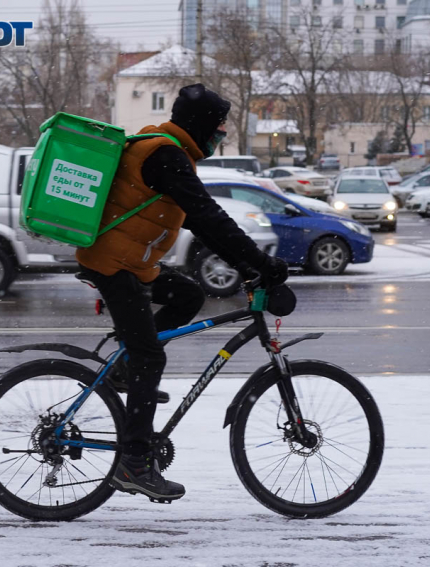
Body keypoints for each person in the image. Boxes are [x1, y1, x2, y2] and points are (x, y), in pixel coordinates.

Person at [75, 84, 288, 502]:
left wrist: (247, 266)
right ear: (202, 125)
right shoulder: (165, 154)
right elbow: (210, 217)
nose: (222, 133)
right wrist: (264, 265)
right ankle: (133, 464)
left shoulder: (171, 152)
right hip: (112, 264)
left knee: (188, 297)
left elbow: (202, 223)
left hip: (130, 261)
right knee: (150, 355)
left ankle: (123, 365)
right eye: (220, 125)